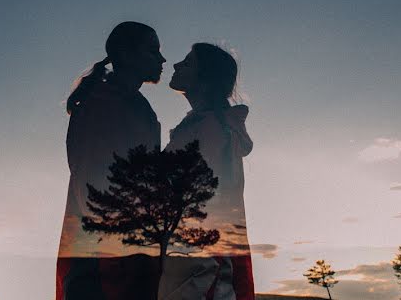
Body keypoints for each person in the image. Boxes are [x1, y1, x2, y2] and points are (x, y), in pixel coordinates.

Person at [56, 21, 166, 300]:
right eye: (153, 51)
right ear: (127, 55)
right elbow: (94, 182)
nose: (162, 59)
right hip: (104, 258)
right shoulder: (103, 103)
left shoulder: (134, 103)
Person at [159, 43, 255, 300]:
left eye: (187, 62)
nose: (177, 65)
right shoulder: (202, 125)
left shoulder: (212, 128)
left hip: (202, 259)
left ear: (205, 80)